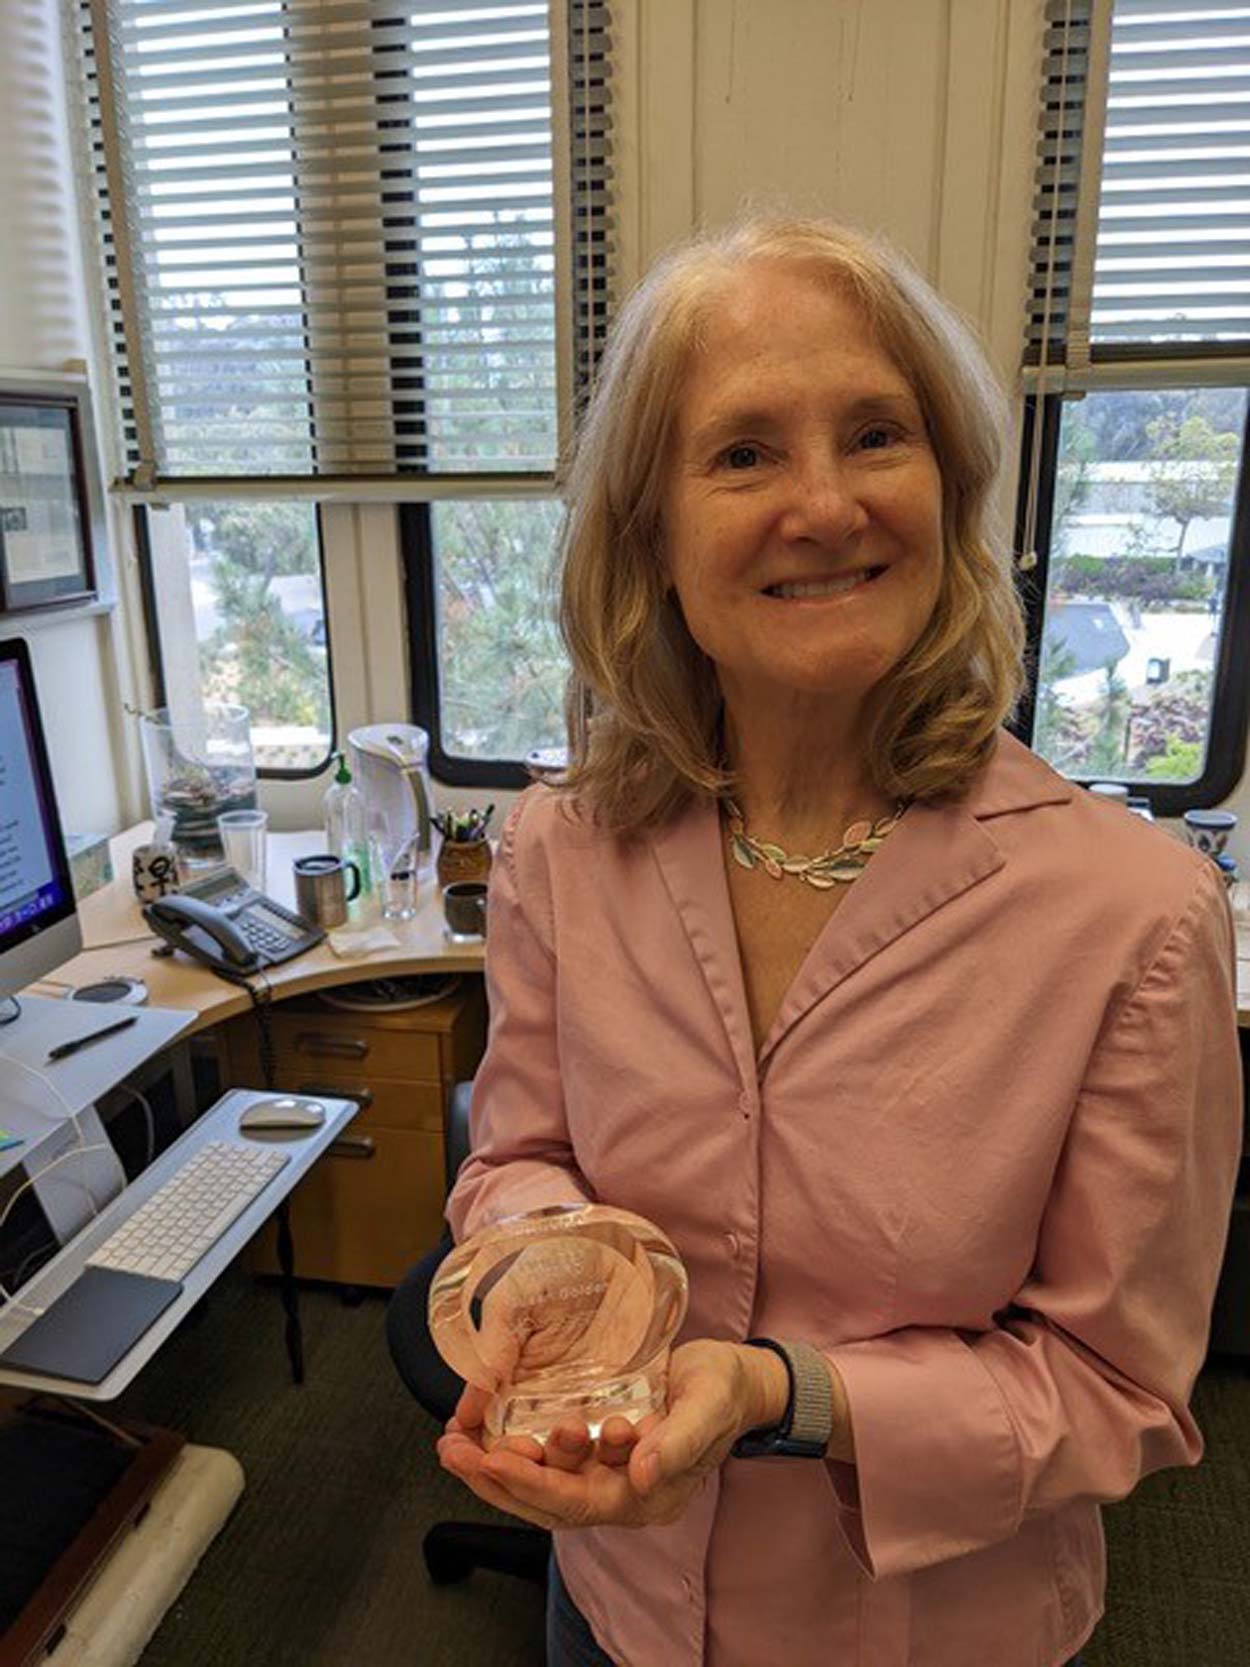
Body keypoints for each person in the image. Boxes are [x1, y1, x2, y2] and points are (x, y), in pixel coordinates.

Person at [436, 217, 1242, 1667]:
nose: (822, 505)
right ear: (650, 535)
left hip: (925, 1630)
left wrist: (772, 1393)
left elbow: (1120, 1385)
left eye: (874, 435)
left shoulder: (1132, 917)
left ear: (948, 489)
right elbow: (516, 1155)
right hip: (614, 1594)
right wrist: (537, 1278)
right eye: (741, 454)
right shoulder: (564, 845)